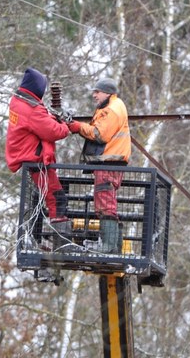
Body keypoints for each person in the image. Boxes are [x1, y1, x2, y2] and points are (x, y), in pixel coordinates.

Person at [5, 67, 72, 239]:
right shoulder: (31, 110)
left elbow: (40, 120)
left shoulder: (19, 102)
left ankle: (40, 238)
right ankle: (61, 241)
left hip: (29, 159)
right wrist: (66, 126)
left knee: (43, 198)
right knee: (56, 198)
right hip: (36, 161)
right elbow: (53, 131)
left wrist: (52, 117)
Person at [67, 78, 131, 253]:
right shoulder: (115, 106)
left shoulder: (111, 109)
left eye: (97, 92)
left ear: (108, 92)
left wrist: (77, 126)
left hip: (109, 163)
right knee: (107, 202)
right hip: (112, 162)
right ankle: (113, 246)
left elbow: (99, 134)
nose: (94, 95)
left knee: (104, 204)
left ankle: (109, 246)